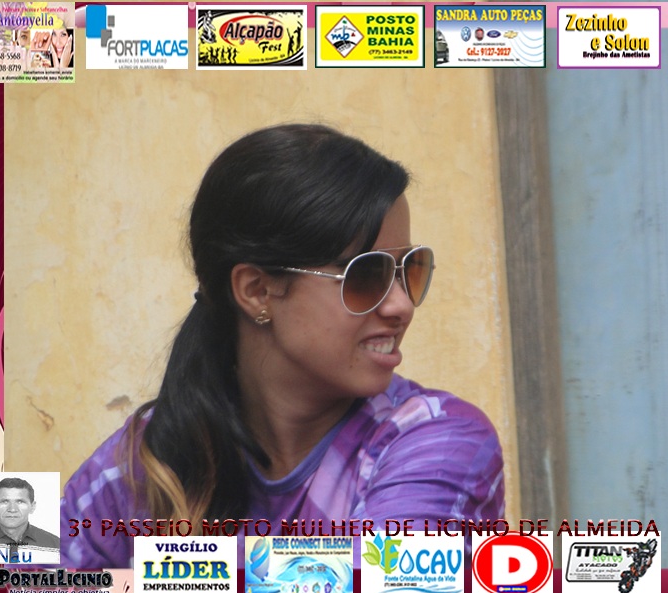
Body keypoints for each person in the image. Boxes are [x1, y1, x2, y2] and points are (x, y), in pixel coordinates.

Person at [60, 124, 505, 568]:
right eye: (366, 275)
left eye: (411, 269)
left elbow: (378, 580)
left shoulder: (440, 441)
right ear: (257, 291)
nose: (401, 305)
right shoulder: (147, 457)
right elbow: (24, 579)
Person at [0, 478, 60, 560]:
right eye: (5, 501)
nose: (12, 509)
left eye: (20, 502)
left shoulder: (56, 546)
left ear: (32, 506)